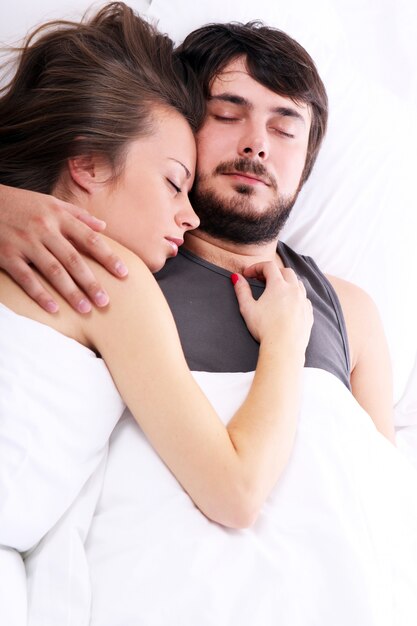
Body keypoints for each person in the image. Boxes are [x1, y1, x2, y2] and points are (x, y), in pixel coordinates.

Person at [0, 0, 315, 569]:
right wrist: (287, 342)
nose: (189, 215)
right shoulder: (110, 275)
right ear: (89, 164)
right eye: (175, 183)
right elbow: (236, 492)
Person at [0, 18, 395, 444]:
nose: (256, 143)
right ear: (183, 129)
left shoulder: (351, 312)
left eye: (284, 129)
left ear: (306, 165)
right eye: (227, 115)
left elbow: (379, 492)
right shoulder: (108, 248)